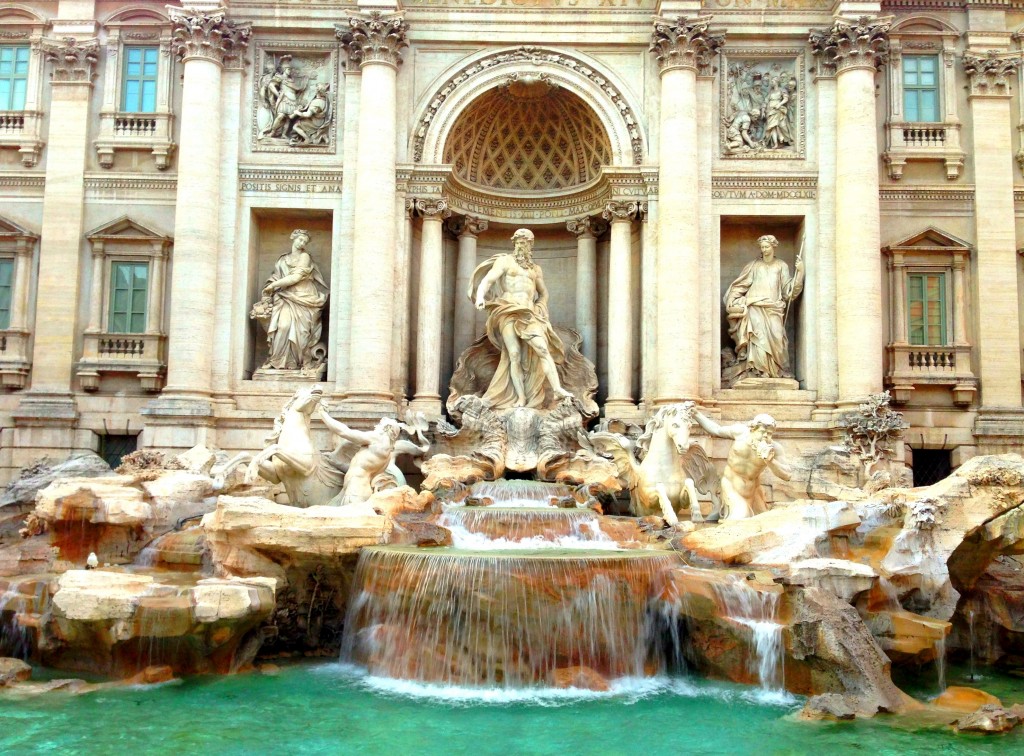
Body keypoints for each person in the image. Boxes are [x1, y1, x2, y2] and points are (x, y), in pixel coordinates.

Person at [469, 228, 573, 409]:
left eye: (524, 242)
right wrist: (480, 297)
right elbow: (488, 280)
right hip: (507, 310)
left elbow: (543, 293)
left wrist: (541, 305)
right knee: (514, 354)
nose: (520, 245)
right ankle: (520, 398)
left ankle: (557, 389)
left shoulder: (535, 269)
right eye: (518, 242)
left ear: (530, 245)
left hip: (528, 313)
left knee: (542, 348)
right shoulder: (505, 261)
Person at [724, 234, 804, 380]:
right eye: (762, 247)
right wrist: (733, 297)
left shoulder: (781, 265)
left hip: (774, 308)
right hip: (755, 306)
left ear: (773, 247)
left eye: (767, 247)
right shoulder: (754, 265)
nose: (764, 250)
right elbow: (741, 285)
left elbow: (788, 291)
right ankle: (759, 372)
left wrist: (800, 273)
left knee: (778, 338)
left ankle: (777, 370)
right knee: (758, 339)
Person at [691, 410, 793, 520]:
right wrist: (696, 414)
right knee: (740, 519)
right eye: (762, 432)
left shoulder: (774, 448)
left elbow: (787, 475)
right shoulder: (740, 433)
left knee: (765, 521)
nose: (765, 436)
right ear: (753, 429)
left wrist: (770, 461)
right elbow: (716, 430)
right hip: (731, 486)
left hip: (753, 491)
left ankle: (722, 509)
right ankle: (724, 506)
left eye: (769, 434)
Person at [320, 413, 429, 507]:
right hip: (358, 489)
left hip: (355, 491)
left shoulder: (377, 439)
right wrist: (337, 464)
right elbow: (361, 468)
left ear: (387, 428)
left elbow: (344, 432)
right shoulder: (387, 454)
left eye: (380, 424)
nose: (376, 426)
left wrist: (323, 414)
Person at [259, 229, 328, 372]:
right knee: (283, 327)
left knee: (302, 334)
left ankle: (299, 363)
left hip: (304, 297)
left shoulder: (305, 257)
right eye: (300, 239)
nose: (302, 243)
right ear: (293, 238)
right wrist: (270, 286)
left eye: (305, 241)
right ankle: (277, 361)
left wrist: (273, 286)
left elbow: (296, 278)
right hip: (285, 297)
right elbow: (276, 276)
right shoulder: (282, 259)